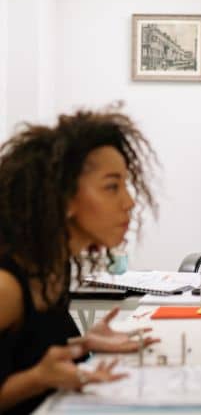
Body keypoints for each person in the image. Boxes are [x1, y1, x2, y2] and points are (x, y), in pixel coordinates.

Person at [0, 107, 159, 414]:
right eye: (112, 186)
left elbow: (30, 351)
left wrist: (82, 343)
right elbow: (32, 374)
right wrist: (36, 379)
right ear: (65, 199)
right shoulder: (7, 287)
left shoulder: (55, 266)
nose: (128, 202)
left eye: (125, 185)